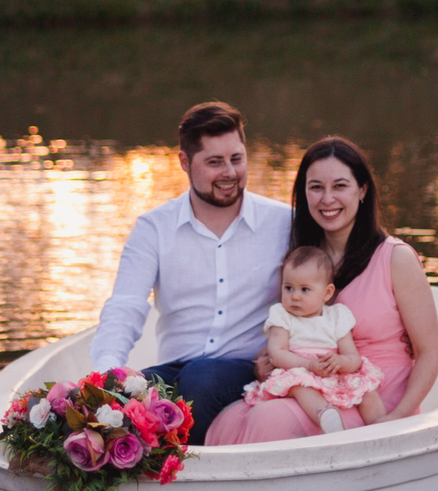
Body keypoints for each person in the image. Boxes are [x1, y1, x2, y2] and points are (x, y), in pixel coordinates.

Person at [206, 136, 438, 446]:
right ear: (304, 194)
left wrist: (398, 417)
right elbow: (291, 330)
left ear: (362, 190)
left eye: (340, 186)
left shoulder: (396, 258)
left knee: (269, 419)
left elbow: (429, 352)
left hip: (376, 400)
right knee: (231, 416)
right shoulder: (301, 262)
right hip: (315, 390)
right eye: (316, 187)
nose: (327, 199)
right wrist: (266, 363)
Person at [89, 100, 290, 445]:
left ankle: (184, 475)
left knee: (202, 377)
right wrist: (109, 372)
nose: (229, 172)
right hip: (176, 370)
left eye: (237, 159)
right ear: (185, 162)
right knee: (112, 406)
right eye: (214, 162)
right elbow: (125, 305)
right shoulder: (154, 228)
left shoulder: (284, 223)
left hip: (248, 368)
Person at [242, 244, 385, 433]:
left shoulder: (337, 316)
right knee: (300, 386)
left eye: (304, 290)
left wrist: (341, 362)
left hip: (331, 371)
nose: (295, 297)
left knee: (366, 390)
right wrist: (308, 366)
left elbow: (353, 357)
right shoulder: (282, 315)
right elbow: (277, 353)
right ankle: (326, 415)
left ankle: (383, 428)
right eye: (289, 288)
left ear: (327, 293)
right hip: (297, 369)